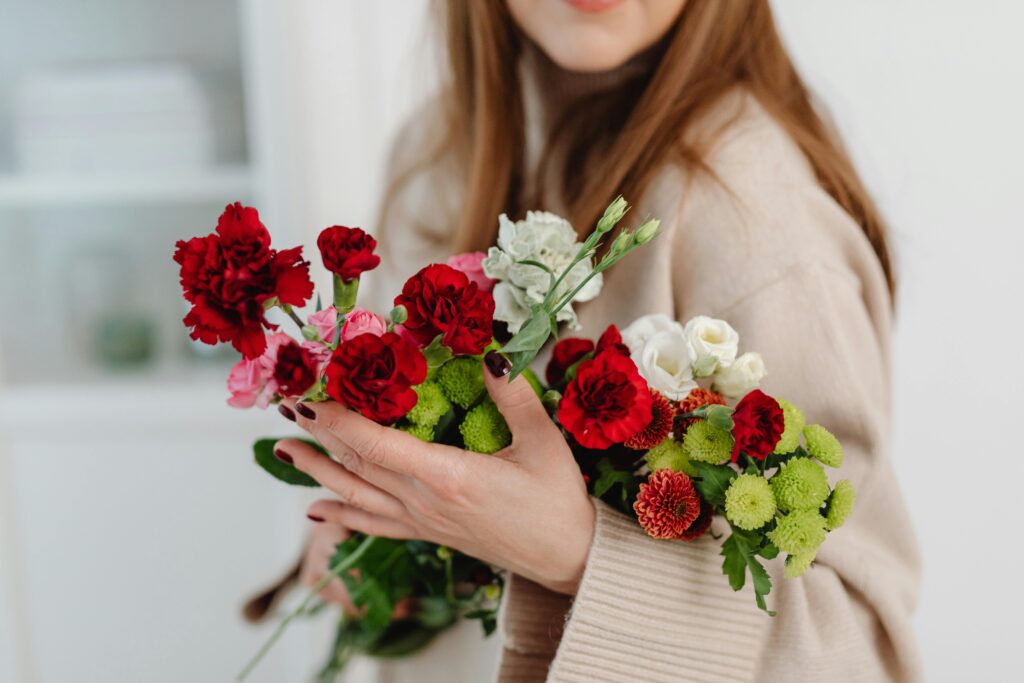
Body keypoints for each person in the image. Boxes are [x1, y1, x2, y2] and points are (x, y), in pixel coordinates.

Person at [271, 1, 922, 680]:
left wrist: (577, 554)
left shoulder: (751, 209)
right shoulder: (434, 153)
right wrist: (369, 531)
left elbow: (862, 650)